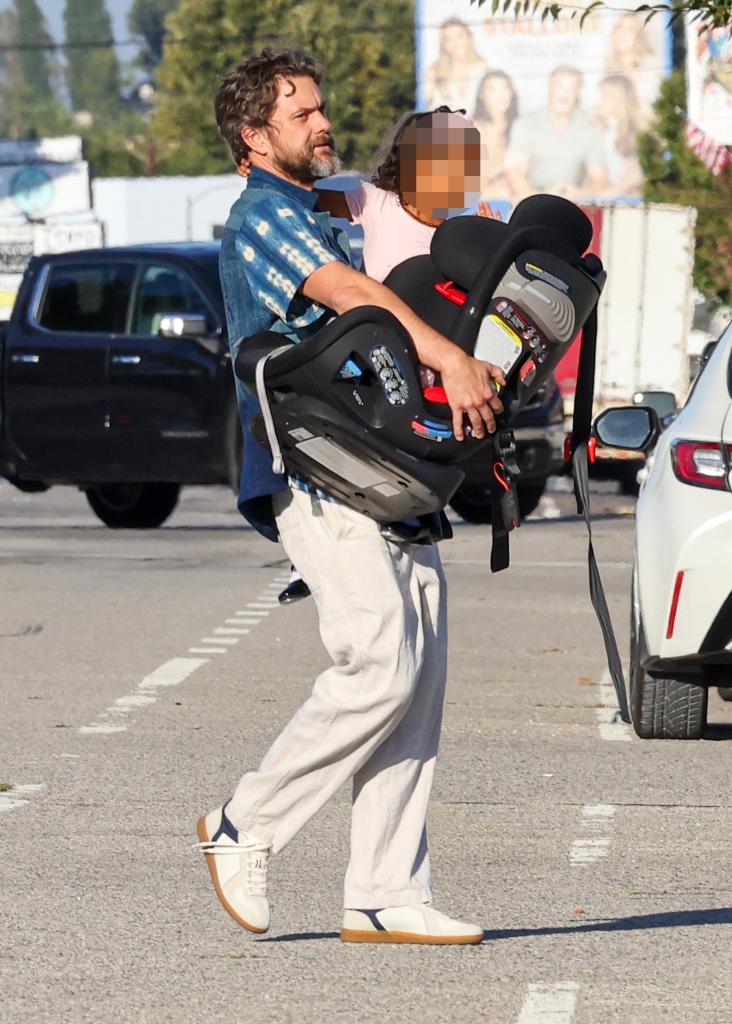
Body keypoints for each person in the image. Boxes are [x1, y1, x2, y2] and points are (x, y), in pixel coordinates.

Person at [198, 47, 505, 945]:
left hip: (383, 466)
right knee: (380, 663)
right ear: (255, 138)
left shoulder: (320, 206)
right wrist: (447, 355)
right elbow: (351, 296)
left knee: (420, 683)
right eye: (303, 115)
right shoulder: (261, 216)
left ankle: (384, 890)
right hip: (314, 469)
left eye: (322, 108)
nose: (323, 123)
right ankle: (242, 825)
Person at [505, 65, 608, 202]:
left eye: (571, 88)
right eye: (559, 87)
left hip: (574, 205)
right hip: (532, 204)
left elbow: (599, 179)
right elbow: (514, 172)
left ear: (578, 92)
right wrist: (537, 199)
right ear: (549, 89)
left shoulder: (590, 128)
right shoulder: (526, 124)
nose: (564, 94)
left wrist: (581, 194)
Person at [423, 18, 488, 115]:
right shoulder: (433, 73)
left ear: (469, 38)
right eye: (448, 38)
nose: (455, 44)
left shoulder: (483, 69)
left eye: (459, 36)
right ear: (443, 44)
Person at [592, 74, 643, 196]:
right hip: (608, 197)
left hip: (629, 200)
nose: (600, 101)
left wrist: (611, 193)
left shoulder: (635, 132)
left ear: (619, 98)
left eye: (605, 96)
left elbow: (637, 172)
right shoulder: (603, 129)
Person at [472, 71, 518, 199]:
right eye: (493, 89)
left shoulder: (520, 127)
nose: (501, 95)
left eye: (505, 88)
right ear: (482, 94)